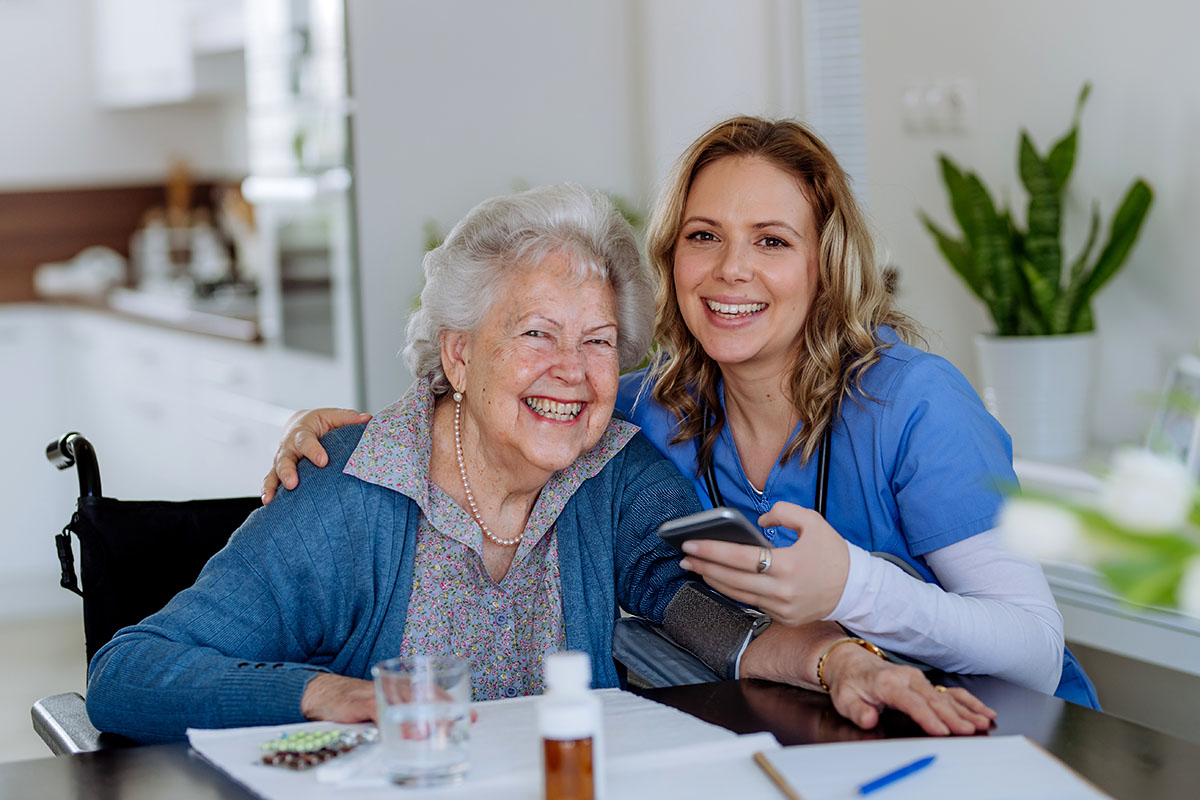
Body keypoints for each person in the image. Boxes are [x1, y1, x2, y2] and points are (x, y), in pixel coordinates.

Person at [87, 183, 993, 743]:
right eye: (534, 334)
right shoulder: (352, 490)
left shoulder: (612, 474)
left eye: (599, 341)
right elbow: (130, 672)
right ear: (458, 356)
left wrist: (845, 666)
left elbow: (713, 620)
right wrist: (330, 694)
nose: (572, 370)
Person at [267, 116, 1098, 709]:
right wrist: (362, 433)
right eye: (704, 236)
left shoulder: (916, 405)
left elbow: (1035, 649)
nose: (730, 270)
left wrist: (853, 587)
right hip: (812, 724)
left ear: (824, 265)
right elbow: (519, 403)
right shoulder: (648, 408)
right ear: (670, 258)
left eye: (771, 241)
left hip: (1002, 738)